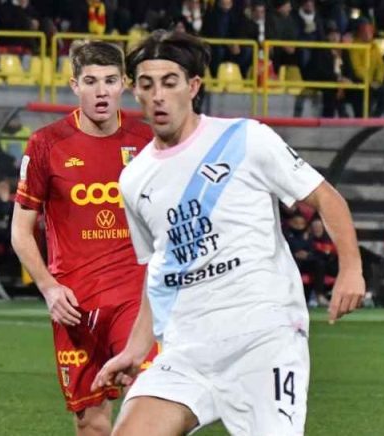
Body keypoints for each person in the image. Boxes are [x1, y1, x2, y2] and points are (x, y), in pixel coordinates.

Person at [92, 30, 365, 435]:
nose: (158, 96)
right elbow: (160, 268)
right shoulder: (134, 179)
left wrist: (351, 269)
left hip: (263, 338)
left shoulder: (245, 138)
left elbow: (326, 198)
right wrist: (136, 349)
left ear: (193, 86)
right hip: (186, 350)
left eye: (170, 82)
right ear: (136, 93)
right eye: (147, 85)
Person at [9, 41, 155, 436]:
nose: (101, 91)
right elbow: (20, 231)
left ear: (124, 84)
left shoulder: (148, 141)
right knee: (90, 421)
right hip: (75, 304)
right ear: (74, 85)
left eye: (110, 80)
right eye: (91, 81)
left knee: (150, 400)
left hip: (136, 298)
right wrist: (48, 288)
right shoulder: (46, 144)